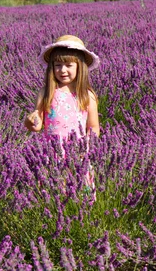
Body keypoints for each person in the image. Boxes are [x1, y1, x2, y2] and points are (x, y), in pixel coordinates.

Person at [24, 34, 100, 195]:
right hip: (51, 154)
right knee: (53, 196)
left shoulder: (87, 95)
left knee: (81, 196)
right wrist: (30, 120)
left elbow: (93, 127)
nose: (62, 70)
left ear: (80, 67)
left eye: (68, 65)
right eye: (57, 65)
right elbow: (37, 124)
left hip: (78, 155)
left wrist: (86, 148)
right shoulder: (46, 92)